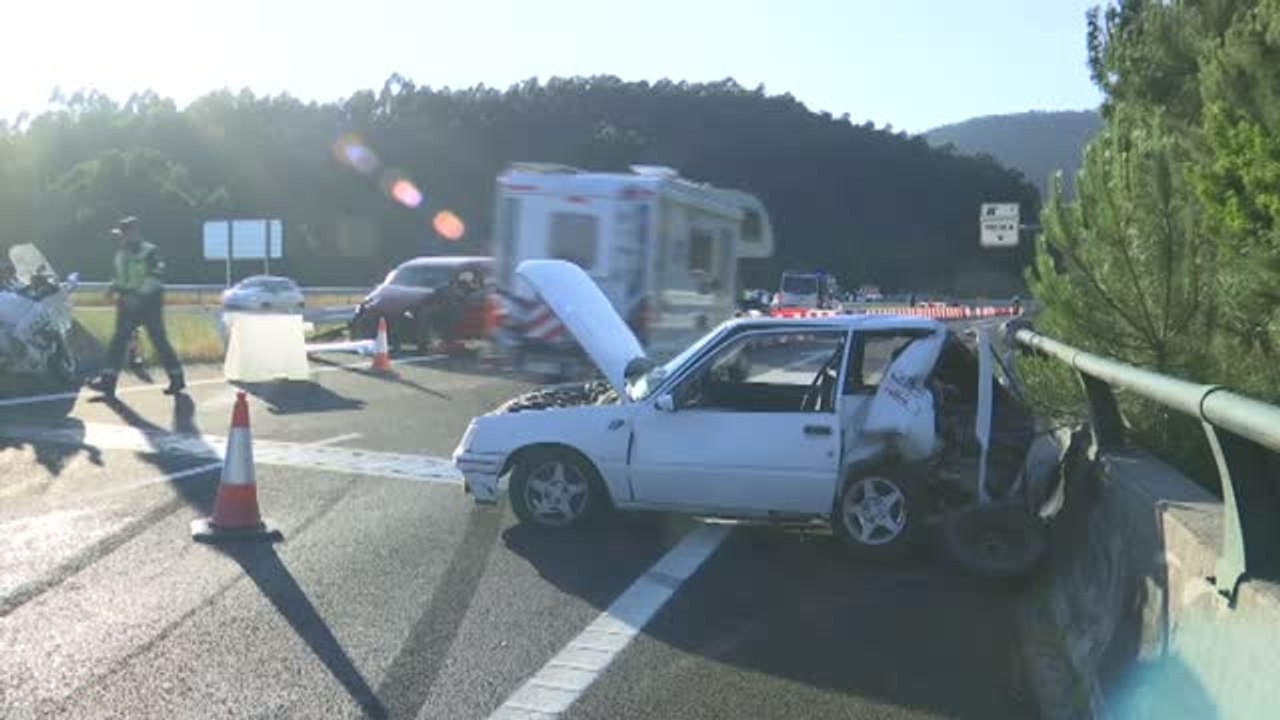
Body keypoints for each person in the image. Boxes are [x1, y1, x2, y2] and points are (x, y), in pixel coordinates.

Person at [89, 217, 185, 397]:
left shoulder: (150, 251)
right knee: (118, 341)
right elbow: (120, 277)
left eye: (125, 234)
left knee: (158, 340)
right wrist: (112, 288)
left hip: (149, 302)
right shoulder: (121, 254)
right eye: (121, 234)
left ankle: (177, 378)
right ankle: (107, 383)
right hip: (127, 302)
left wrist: (139, 296)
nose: (122, 238)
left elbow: (156, 277)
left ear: (133, 233)